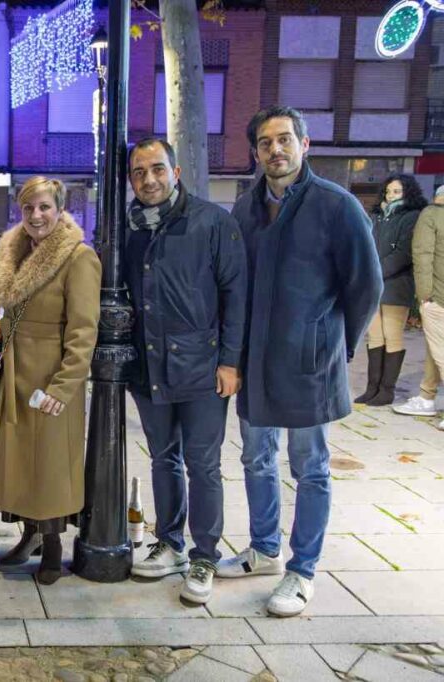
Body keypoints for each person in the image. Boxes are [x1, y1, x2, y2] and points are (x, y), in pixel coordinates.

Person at [220, 106, 382, 617]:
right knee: (254, 457)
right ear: (256, 152)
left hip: (310, 362)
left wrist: (338, 343)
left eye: (285, 139)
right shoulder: (245, 210)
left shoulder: (337, 206)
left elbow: (366, 285)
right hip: (256, 362)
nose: (276, 149)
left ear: (304, 145)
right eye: (265, 142)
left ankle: (302, 568)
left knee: (310, 466)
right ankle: (265, 549)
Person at [122, 139, 247, 605]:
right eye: (138, 173)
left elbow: (236, 295)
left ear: (175, 172)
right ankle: (170, 543)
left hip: (202, 369)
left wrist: (230, 362)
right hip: (149, 367)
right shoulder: (130, 229)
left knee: (203, 464)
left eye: (157, 169)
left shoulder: (213, 222)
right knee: (162, 459)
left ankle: (205, 555)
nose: (148, 180)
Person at [0, 176, 102, 585]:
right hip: (17, 373)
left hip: (51, 377)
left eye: (44, 207)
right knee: (22, 463)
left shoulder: (78, 258)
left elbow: (83, 330)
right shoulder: (16, 252)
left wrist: (64, 386)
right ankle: (31, 535)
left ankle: (53, 546)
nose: (36, 216)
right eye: (28, 209)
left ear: (59, 209)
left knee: (51, 464)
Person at [355, 174, 427, 406]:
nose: (391, 195)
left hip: (397, 284)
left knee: (392, 335)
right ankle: (372, 388)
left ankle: (387, 390)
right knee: (374, 335)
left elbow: (404, 253)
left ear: (407, 193)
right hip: (375, 285)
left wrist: (374, 272)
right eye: (388, 191)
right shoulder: (377, 216)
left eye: (396, 191)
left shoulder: (412, 217)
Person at [394, 185, 444, 421]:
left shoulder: (432, 214)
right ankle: (426, 397)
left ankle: (426, 398)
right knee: (434, 349)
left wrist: (425, 295)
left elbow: (423, 254)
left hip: (438, 296)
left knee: (440, 350)